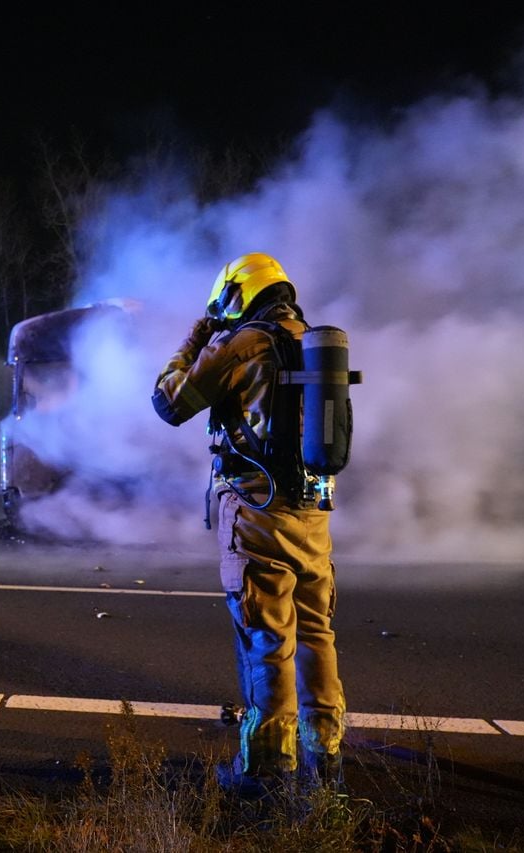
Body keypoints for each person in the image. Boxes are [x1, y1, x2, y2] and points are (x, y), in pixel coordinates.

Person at [151, 252, 345, 796]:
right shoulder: (309, 339)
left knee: (267, 639)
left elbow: (168, 402)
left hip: (257, 514)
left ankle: (265, 775)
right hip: (314, 515)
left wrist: (195, 341)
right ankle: (325, 760)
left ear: (238, 295)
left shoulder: (240, 346)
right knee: (316, 635)